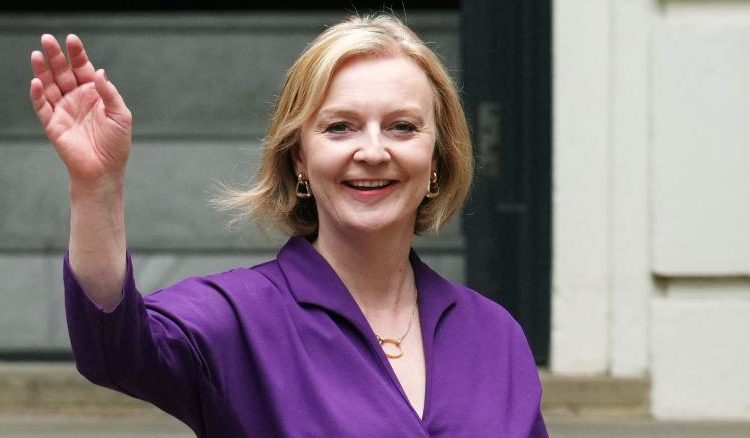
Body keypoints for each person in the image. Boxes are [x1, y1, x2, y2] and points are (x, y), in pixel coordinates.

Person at [29, 15, 548, 438]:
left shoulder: (494, 333)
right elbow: (114, 349)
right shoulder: (238, 317)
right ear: (300, 157)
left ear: (436, 156)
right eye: (339, 127)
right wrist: (97, 187)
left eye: (403, 127)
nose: (372, 151)